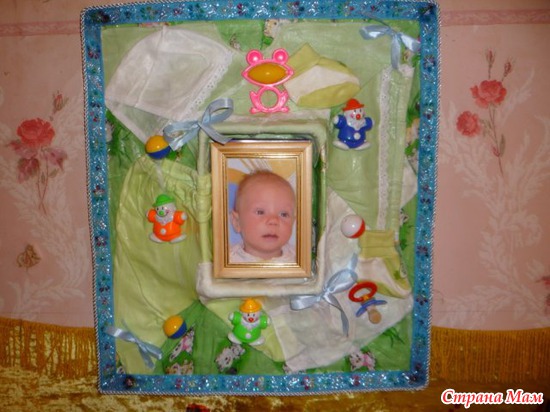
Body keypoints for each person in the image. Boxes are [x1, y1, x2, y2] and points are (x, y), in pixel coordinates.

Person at [229, 170, 296, 263]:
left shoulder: (300, 260)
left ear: (293, 222)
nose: (273, 221)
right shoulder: (227, 260)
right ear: (237, 222)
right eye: (260, 212)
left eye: (284, 214)